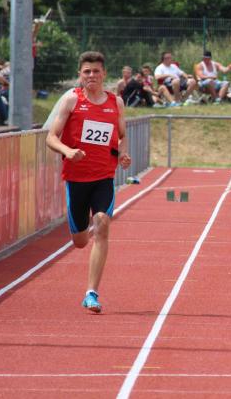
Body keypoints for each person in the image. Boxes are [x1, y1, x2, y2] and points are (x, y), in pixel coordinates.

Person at [46, 51, 131, 312]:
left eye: (96, 71)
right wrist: (68, 151)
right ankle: (79, 229)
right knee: (80, 241)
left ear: (104, 74)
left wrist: (123, 153)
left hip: (104, 176)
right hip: (76, 178)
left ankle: (91, 293)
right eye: (86, 72)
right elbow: (51, 137)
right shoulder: (72, 100)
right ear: (80, 74)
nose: (91, 75)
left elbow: (122, 135)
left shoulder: (116, 102)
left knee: (102, 223)